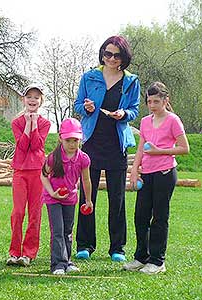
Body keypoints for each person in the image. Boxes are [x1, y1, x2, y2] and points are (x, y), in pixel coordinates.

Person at [74, 35, 141, 262]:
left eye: (116, 55)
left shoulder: (131, 81)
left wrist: (124, 114)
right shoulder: (89, 77)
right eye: (107, 53)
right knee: (87, 194)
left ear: (124, 57)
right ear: (102, 54)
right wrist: (87, 108)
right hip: (92, 142)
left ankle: (117, 248)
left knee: (117, 198)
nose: (111, 58)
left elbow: (134, 110)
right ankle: (84, 244)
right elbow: (77, 105)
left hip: (116, 144)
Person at [123, 82, 189, 274]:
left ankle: (158, 261)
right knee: (140, 216)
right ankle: (141, 258)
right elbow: (141, 145)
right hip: (147, 174)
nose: (152, 105)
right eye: (149, 101)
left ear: (165, 101)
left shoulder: (173, 120)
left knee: (159, 217)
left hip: (165, 173)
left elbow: (185, 148)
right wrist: (134, 169)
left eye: (156, 101)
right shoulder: (145, 121)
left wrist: (161, 151)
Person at [40, 118, 93, 275]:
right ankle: (57, 264)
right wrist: (51, 192)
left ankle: (67, 261)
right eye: (68, 140)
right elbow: (43, 176)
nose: (72, 144)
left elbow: (86, 180)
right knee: (57, 230)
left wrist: (88, 200)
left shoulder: (83, 158)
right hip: (53, 199)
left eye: (75, 140)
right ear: (60, 139)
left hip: (70, 199)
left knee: (67, 231)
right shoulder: (53, 158)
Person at [7, 84, 51, 267]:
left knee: (35, 213)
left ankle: (29, 253)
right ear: (23, 100)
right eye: (29, 97)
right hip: (20, 171)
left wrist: (33, 123)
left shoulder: (45, 123)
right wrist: (27, 124)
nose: (32, 100)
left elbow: (36, 146)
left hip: (37, 172)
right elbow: (23, 146)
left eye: (36, 97)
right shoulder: (16, 122)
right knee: (18, 212)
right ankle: (14, 252)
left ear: (41, 101)